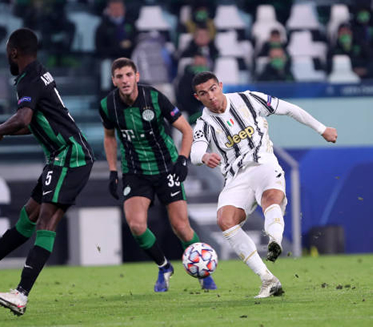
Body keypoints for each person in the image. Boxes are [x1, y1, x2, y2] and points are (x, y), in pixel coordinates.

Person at [0, 28, 94, 316]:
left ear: (14, 51)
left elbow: (24, 117)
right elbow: (31, 122)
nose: (7, 53)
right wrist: (2, 134)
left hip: (71, 155)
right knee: (29, 214)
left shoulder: (28, 79)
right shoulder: (37, 74)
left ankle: (21, 294)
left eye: (7, 49)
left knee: (46, 220)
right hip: (60, 155)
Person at [190, 71, 337, 298]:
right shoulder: (204, 123)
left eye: (212, 89)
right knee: (225, 221)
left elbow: (289, 108)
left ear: (220, 85)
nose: (210, 96)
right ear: (197, 97)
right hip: (236, 177)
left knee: (271, 199)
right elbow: (195, 150)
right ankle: (268, 279)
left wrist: (322, 129)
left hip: (264, 162)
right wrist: (204, 157)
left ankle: (274, 241)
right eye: (203, 93)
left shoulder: (248, 99)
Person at [99, 57, 217, 292]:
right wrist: (113, 171)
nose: (124, 80)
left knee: (180, 226)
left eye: (128, 75)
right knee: (136, 225)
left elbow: (185, 130)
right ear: (113, 80)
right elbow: (109, 137)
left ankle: (204, 274)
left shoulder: (154, 97)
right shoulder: (107, 105)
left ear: (137, 77)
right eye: (119, 76)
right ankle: (164, 267)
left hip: (166, 167)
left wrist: (183, 160)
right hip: (135, 171)